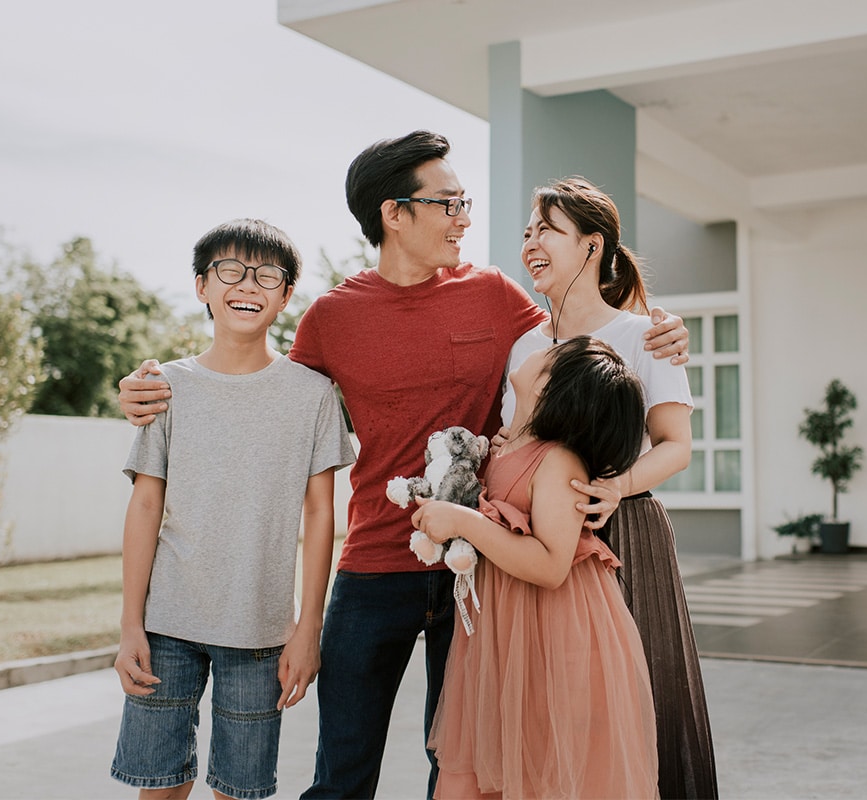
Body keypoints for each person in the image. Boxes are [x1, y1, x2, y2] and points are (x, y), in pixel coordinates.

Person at [115, 131, 689, 799]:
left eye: (463, 202)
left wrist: (654, 328)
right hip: (372, 571)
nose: (464, 219)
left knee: (462, 772)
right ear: (395, 213)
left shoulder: (497, 297)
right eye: (449, 203)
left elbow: (576, 344)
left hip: (478, 571)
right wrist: (147, 386)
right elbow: (260, 390)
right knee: (341, 776)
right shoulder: (331, 317)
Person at [110, 219, 356, 800]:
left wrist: (307, 629)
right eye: (229, 270)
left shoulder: (313, 394)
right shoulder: (164, 386)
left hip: (261, 628)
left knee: (240, 791)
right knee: (159, 785)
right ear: (202, 286)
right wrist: (128, 625)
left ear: (287, 294)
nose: (248, 284)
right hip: (166, 623)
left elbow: (321, 515)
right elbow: (146, 504)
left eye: (267, 275)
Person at [500, 176, 718, 799]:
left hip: (622, 532)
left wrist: (614, 488)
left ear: (592, 247)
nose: (531, 243)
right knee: (558, 705)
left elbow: (676, 446)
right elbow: (516, 436)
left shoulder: (645, 334)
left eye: (548, 230)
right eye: (527, 232)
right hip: (543, 538)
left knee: (642, 696)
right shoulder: (525, 344)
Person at [413, 336, 659, 799]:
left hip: (553, 633)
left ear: (549, 387)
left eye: (550, 354)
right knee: (498, 759)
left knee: (546, 763)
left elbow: (551, 565)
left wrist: (465, 521)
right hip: (504, 632)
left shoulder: (558, 461)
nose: (539, 348)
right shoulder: (504, 450)